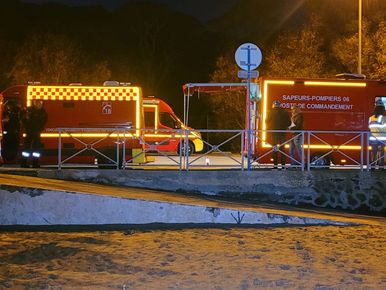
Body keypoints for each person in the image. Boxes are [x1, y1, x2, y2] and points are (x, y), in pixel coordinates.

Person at [20, 100, 48, 168]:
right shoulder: (29, 110)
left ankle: (35, 163)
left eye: (40, 103)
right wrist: (25, 119)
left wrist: (40, 128)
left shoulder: (42, 112)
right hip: (29, 131)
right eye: (38, 103)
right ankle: (24, 163)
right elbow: (23, 118)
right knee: (26, 149)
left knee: (36, 149)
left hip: (36, 132)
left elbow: (44, 120)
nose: (39, 104)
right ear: (35, 103)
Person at [266, 100, 291, 169]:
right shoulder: (285, 112)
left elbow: (266, 121)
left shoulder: (270, 112)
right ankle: (283, 166)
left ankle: (275, 166)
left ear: (273, 105)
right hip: (282, 133)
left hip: (274, 133)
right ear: (280, 105)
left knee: (275, 149)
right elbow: (289, 123)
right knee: (282, 149)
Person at [368, 99, 386, 170]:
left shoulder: (371, 118)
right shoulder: (383, 118)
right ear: (382, 110)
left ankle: (372, 166)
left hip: (373, 138)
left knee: (374, 152)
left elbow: (369, 127)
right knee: (381, 153)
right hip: (382, 138)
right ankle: (381, 166)